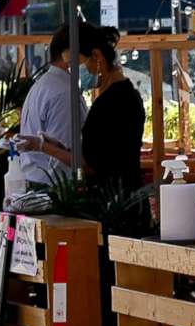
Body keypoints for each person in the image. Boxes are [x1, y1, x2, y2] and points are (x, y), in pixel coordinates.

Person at [8, 26, 78, 206]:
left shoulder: (43, 85)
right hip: (53, 190)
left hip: (38, 183)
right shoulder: (63, 92)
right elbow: (67, 154)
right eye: (88, 55)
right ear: (68, 55)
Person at [77, 26, 146, 196]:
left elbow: (95, 164)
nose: (83, 70)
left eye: (82, 63)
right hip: (129, 195)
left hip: (112, 202)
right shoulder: (129, 95)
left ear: (97, 56)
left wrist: (45, 147)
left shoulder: (110, 103)